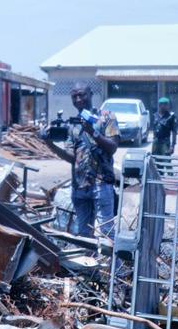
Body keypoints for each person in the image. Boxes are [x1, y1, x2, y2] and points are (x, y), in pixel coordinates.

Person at [43, 83, 120, 238]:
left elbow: (112, 148)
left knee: (107, 232)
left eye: (82, 95)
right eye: (74, 96)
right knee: (83, 234)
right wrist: (49, 143)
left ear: (91, 94)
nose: (78, 99)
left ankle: (111, 256)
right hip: (80, 187)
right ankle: (88, 255)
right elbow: (71, 157)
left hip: (102, 184)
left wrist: (93, 132)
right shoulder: (72, 124)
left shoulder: (106, 116)